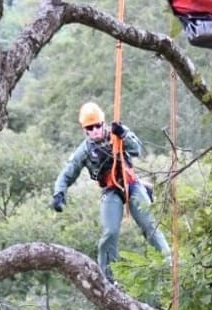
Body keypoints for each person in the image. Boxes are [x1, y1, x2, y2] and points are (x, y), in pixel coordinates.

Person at [51, 102, 171, 283]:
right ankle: (108, 279)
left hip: (132, 184)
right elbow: (68, 172)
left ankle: (168, 262)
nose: (95, 131)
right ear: (85, 130)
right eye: (90, 128)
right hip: (111, 189)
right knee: (110, 232)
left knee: (149, 224)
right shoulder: (84, 150)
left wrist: (122, 134)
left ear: (103, 123)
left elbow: (137, 150)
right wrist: (59, 193)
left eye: (97, 126)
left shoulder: (118, 133)